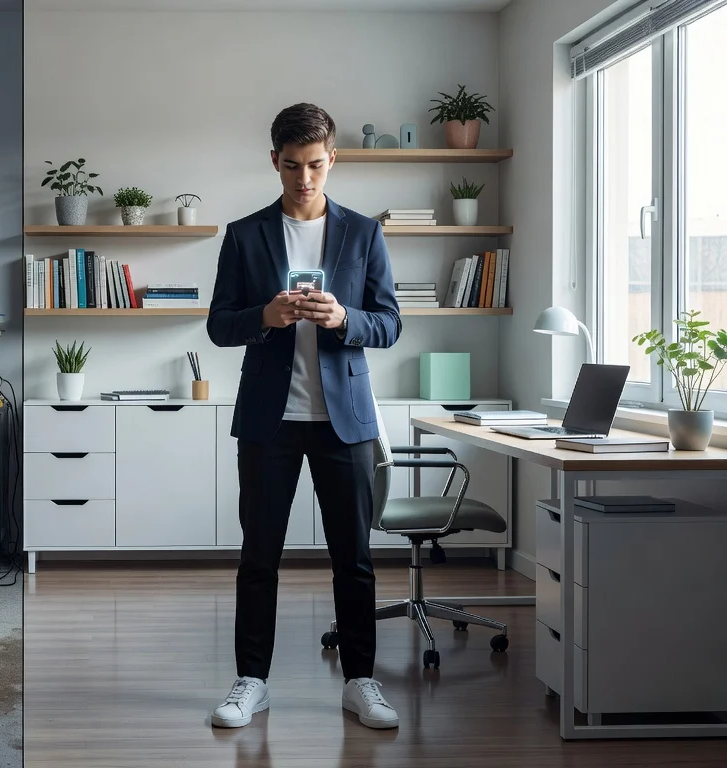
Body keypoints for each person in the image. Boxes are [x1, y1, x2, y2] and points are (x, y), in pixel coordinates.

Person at [206, 103, 402, 730]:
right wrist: (264, 317)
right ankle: (250, 682)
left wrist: (345, 319)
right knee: (259, 556)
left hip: (345, 420)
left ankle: (361, 682)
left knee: (355, 557)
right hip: (270, 421)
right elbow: (218, 324)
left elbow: (390, 322)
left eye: (316, 165)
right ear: (274, 162)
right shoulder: (244, 234)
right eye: (292, 166)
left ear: (332, 160)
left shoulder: (363, 233)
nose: (305, 179)